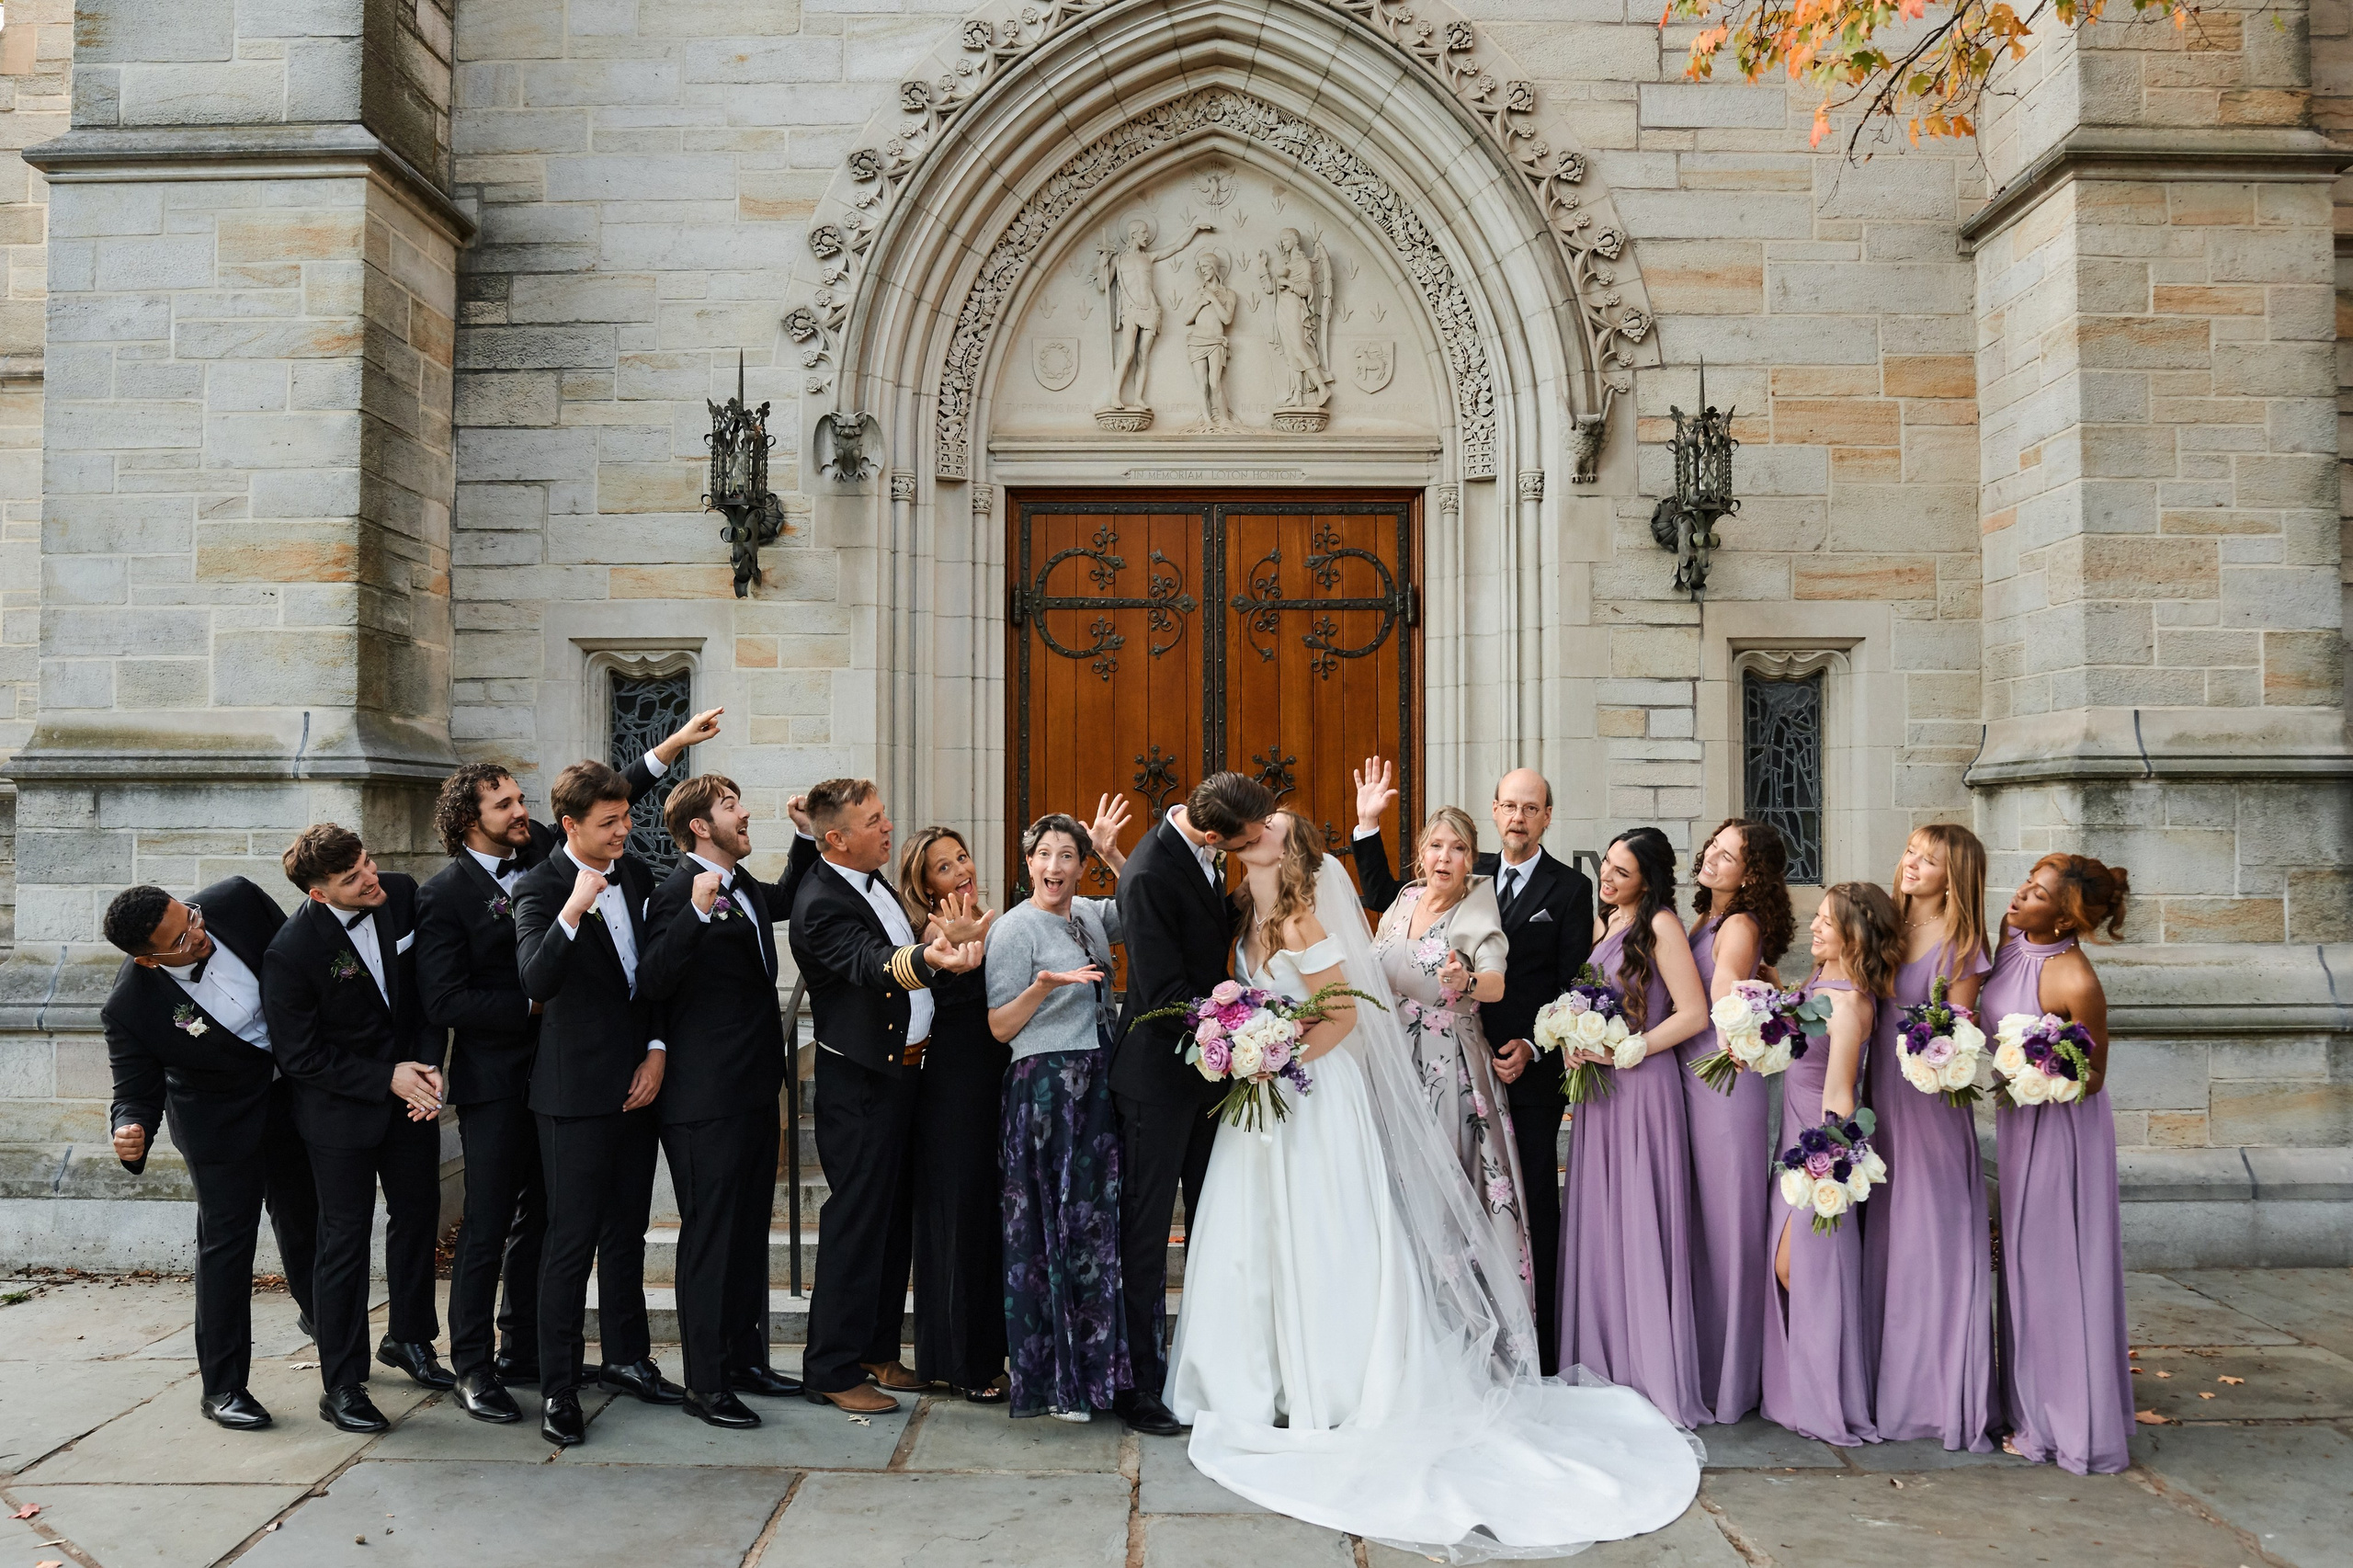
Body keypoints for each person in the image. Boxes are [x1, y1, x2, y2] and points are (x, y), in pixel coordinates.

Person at [1165, 812, 1700, 1557]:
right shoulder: (1264, 913)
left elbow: (1351, 1012)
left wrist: (1274, 1053)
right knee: (1253, 1240)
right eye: (1435, 845)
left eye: (1270, 826)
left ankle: (1333, 1379)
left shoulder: (1342, 917)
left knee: (1325, 1232)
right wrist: (1249, 1039)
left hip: (1344, 1084)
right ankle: (1252, 1376)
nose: (1254, 829)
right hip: (1282, 1099)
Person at [413, 713, 717, 1422]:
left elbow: (611, 799)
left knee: (552, 1221)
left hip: (585, 1072)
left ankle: (530, 1348)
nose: (520, 812)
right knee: (489, 1225)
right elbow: (447, 998)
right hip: (502, 1078)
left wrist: (672, 746)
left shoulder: (553, 851)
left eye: (521, 800)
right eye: (505, 804)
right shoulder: (448, 894)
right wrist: (532, 1007)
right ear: (471, 821)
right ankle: (473, 1365)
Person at [1352, 759, 1593, 1374]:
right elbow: (1377, 900)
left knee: (1500, 1201)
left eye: (1531, 808)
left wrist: (1526, 1035)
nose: (1519, 817)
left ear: (1546, 816)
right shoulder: (1430, 886)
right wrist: (1367, 825)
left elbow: (1536, 978)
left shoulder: (1546, 892)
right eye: (1510, 806)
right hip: (1396, 1068)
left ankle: (1524, 1344)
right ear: (1495, 810)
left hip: (1486, 1069)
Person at [788, 778, 985, 1414]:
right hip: (861, 1085)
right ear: (837, 838)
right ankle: (829, 1366)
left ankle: (875, 1351)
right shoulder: (821, 902)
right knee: (856, 1222)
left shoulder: (870, 883)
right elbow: (873, 963)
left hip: (906, 1076)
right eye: (873, 821)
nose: (888, 827)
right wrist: (934, 959)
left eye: (882, 815)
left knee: (892, 1222)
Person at [102, 880, 318, 1431]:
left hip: (291, 1096)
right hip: (218, 1125)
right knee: (226, 1250)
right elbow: (134, 1088)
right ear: (148, 960)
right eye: (180, 940)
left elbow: (304, 959)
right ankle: (223, 1388)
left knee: (306, 1219)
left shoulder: (238, 902)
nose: (199, 936)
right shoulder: (130, 1006)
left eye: (192, 918)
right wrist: (128, 1127)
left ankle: (326, 1324)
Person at [514, 760, 684, 1447]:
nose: (624, 830)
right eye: (609, 822)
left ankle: (627, 1357)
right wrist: (574, 909)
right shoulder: (538, 887)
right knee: (570, 1241)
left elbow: (651, 978)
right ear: (570, 825)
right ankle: (558, 1388)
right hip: (572, 1095)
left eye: (626, 817)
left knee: (626, 1232)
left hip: (637, 1083)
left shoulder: (635, 873)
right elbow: (536, 979)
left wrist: (656, 1049)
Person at [263, 825, 450, 1433]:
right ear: (318, 894)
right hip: (339, 1115)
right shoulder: (291, 951)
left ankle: (410, 1338)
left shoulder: (400, 893)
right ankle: (341, 1383)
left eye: (367, 863)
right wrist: (387, 1078)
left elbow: (425, 994)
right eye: (352, 879)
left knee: (418, 1214)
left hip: (412, 1097)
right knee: (343, 1242)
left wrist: (428, 1067)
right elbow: (301, 1056)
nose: (370, 878)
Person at [638, 773, 808, 1430]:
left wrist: (803, 836)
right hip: (702, 1098)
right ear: (700, 826)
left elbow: (787, 896)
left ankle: (744, 1361)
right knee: (710, 1237)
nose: (745, 815)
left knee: (746, 1233)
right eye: (730, 806)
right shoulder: (675, 893)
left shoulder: (744, 886)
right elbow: (653, 979)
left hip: (754, 1088)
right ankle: (705, 1384)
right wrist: (695, 914)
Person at [1108, 771, 1274, 1437]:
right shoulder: (1148, 874)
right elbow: (1162, 994)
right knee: (1145, 1237)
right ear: (1211, 833)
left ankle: (1206, 1369)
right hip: (1155, 1084)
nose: (1253, 844)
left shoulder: (1199, 851)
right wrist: (1250, 1025)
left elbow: (1203, 938)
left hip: (1207, 1080)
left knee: (1215, 1226)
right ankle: (1135, 1385)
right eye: (1246, 840)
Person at [1557, 826, 1710, 1427]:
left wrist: (1629, 1049)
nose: (1609, 877)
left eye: (1622, 871)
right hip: (1600, 1093)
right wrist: (1573, 1039)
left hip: (1642, 1087)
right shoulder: (1606, 923)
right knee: (1602, 1218)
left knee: (1638, 1216)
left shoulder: (1661, 925)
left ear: (1648, 880)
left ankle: (1645, 1367)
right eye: (1608, 866)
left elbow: (1693, 1013)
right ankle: (1602, 1358)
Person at [1987, 853, 2132, 1475]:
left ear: (2067, 918)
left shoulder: (2078, 981)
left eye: (2039, 893)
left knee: (2052, 1267)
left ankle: (2063, 1421)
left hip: (2063, 1132)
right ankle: (2025, 1402)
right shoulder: (2009, 936)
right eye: (2028, 883)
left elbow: (2094, 1076)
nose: (2022, 895)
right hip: (2018, 1126)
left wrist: (2040, 1065)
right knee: (2020, 1261)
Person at [988, 812, 1132, 1421]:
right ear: (1029, 863)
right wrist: (1044, 987)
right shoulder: (1013, 929)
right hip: (1045, 1092)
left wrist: (1114, 853)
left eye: (1068, 855)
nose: (1055, 866)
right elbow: (999, 1027)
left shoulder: (1092, 916)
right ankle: (1052, 1383)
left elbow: (1143, 904)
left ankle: (1096, 1378)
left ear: (1080, 866)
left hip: (1098, 1085)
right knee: (1047, 1232)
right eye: (1044, 853)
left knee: (1092, 1231)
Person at [1864, 824, 1997, 1452]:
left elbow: (1961, 1030)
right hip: (1878, 1097)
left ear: (1954, 877)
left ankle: (1935, 1395)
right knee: (1886, 1231)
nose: (1912, 864)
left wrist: (1938, 1053)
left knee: (1929, 1234)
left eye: (1930, 860)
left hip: (1929, 1104)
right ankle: (1881, 1377)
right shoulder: (1886, 925)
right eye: (1910, 852)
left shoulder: (1962, 942)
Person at [1365, 806, 1529, 1303]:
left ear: (1470, 859)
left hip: (1446, 1067)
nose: (1445, 857)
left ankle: (1453, 1311)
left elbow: (1496, 982)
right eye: (1436, 846)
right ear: (1421, 853)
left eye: (1458, 849)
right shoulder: (1404, 899)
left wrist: (1467, 980)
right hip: (1389, 1061)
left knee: (1440, 1184)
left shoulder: (1476, 910)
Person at [1760, 882, 1899, 1447]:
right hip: (1790, 1138)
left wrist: (1824, 1163)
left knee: (1800, 1269)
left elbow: (1841, 1090)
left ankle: (1825, 1394)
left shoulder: (1849, 1003)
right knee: (1794, 1269)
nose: (1814, 927)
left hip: (1815, 1147)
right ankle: (1800, 1389)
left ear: (1855, 936)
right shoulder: (1819, 982)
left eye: (1826, 922)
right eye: (1816, 917)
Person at [1680, 818, 1793, 1425]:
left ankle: (1733, 1378)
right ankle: (1706, 1362)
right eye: (1713, 849)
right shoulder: (1707, 918)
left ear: (1751, 875)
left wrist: (1732, 1033)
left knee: (1728, 1224)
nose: (1712, 859)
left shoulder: (1740, 925)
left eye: (1728, 856)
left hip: (1723, 1084)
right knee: (1705, 1223)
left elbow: (1725, 989)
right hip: (1697, 1080)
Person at [899, 823, 1009, 1403]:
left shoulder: (988, 921)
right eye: (944, 867)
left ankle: (984, 1352)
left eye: (962, 857)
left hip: (994, 1085)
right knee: (958, 1221)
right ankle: (962, 1364)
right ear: (925, 886)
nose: (962, 870)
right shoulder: (932, 933)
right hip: (952, 1092)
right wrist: (953, 954)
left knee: (986, 1221)